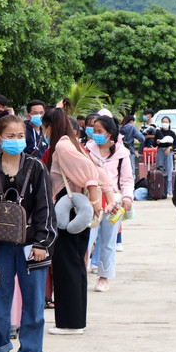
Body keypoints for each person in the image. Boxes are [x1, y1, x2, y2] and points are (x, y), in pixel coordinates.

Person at [0, 114, 57, 352]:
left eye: (21, 135)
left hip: (31, 247)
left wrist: (42, 243)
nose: (16, 140)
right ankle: (2, 351)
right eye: (11, 136)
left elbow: (46, 209)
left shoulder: (37, 167)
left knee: (34, 302)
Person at [42, 107, 114, 335]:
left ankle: (70, 323)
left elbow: (88, 172)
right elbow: (98, 171)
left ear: (50, 126)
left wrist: (95, 199)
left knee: (67, 266)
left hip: (69, 209)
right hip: (76, 209)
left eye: (45, 127)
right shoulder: (74, 144)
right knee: (74, 264)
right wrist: (107, 198)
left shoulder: (62, 146)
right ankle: (74, 321)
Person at [85, 114, 135, 292]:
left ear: (110, 134)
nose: (95, 134)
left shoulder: (122, 154)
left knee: (108, 241)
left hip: (113, 202)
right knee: (86, 240)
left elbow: (127, 180)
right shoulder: (87, 150)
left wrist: (127, 198)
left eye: (100, 131)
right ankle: (81, 276)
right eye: (94, 131)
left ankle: (103, 277)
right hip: (91, 200)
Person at [155, 116, 176, 195]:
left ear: (169, 123)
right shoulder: (158, 132)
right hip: (160, 151)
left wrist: (170, 147)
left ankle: (168, 191)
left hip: (168, 152)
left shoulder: (172, 133)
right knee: (159, 170)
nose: (164, 123)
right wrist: (157, 142)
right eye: (163, 122)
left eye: (166, 122)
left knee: (169, 171)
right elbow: (154, 143)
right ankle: (160, 190)